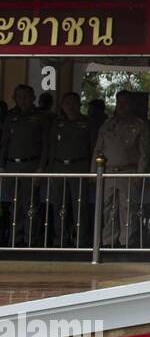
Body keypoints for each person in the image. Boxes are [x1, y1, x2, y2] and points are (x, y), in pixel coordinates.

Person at [94, 90, 150, 249]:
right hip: (108, 172)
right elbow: (98, 149)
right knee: (108, 207)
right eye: (119, 102)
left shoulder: (139, 125)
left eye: (125, 102)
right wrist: (95, 173)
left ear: (131, 104)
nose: (122, 106)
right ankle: (108, 241)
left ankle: (126, 241)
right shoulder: (107, 124)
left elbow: (144, 153)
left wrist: (140, 175)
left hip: (129, 171)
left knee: (128, 208)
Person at [42, 92, 94, 247]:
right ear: (62, 106)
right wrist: (50, 171)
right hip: (59, 167)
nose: (70, 107)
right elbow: (51, 148)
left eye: (73, 103)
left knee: (80, 207)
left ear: (79, 105)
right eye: (66, 104)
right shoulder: (57, 123)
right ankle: (60, 239)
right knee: (59, 205)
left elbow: (93, 148)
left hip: (80, 168)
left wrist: (91, 171)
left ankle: (81, 240)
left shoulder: (87, 123)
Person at [1, 85, 49, 246]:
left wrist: (41, 169)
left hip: (32, 165)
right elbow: (4, 145)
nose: (23, 101)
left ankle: (30, 240)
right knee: (14, 205)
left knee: (31, 206)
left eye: (27, 97)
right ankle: (15, 238)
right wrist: (2, 166)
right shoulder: (10, 118)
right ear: (14, 99)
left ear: (33, 98)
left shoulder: (41, 118)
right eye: (20, 97)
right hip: (12, 166)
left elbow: (46, 146)